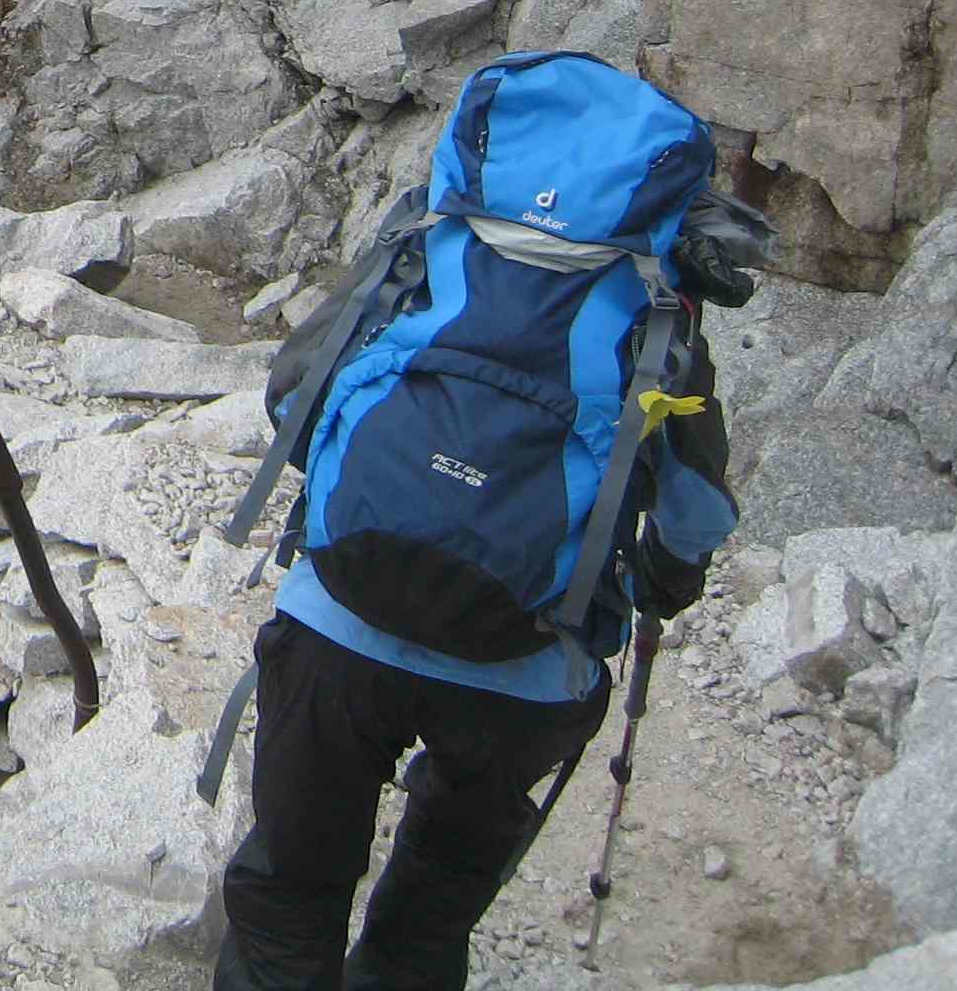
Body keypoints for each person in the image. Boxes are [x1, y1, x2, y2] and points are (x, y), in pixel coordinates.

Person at [210, 55, 757, 991]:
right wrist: (667, 578)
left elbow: (292, 398)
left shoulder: (426, 250)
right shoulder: (657, 317)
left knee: (290, 892)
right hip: (529, 665)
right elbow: (695, 509)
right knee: (429, 919)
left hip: (340, 626)